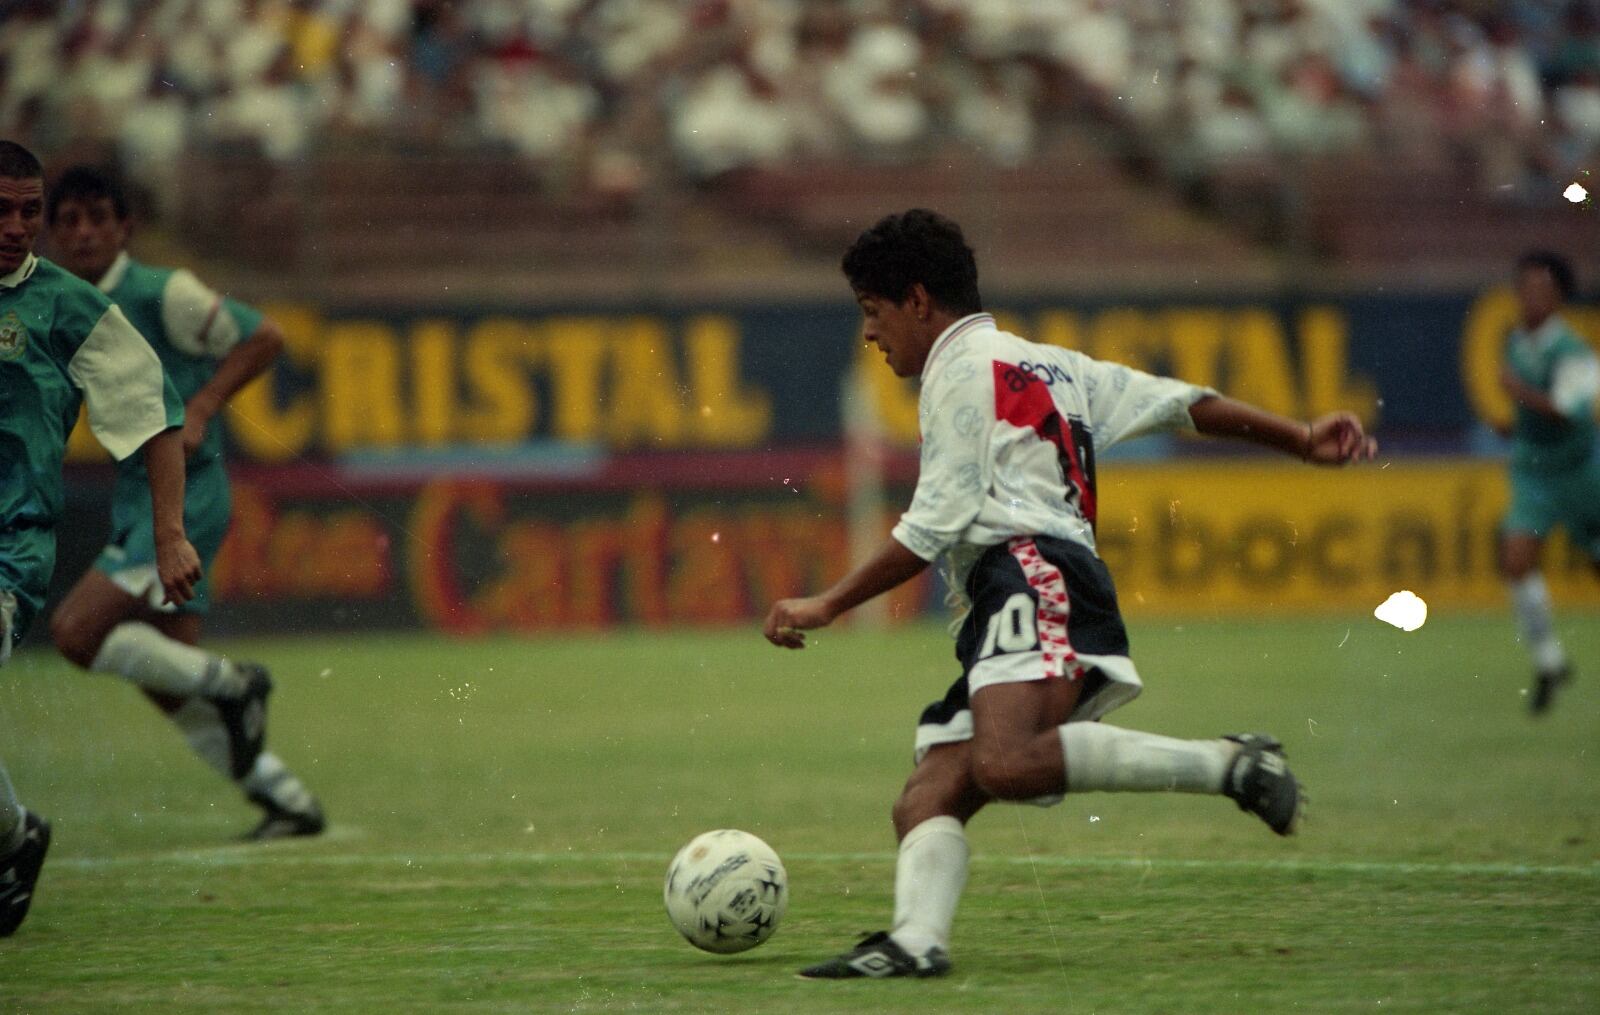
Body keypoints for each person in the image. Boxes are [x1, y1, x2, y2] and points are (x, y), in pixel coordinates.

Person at [762, 209, 1378, 979]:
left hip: (1030, 568)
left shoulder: (959, 373)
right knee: (928, 793)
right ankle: (916, 940)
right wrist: (1298, 436)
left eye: (872, 312)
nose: (869, 334)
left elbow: (932, 524)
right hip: (1022, 578)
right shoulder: (1048, 364)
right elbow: (1183, 403)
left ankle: (1232, 764)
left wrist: (826, 602)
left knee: (1009, 761)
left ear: (918, 300)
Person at [44, 166, 324, 840]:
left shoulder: (162, 291)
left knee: (78, 632)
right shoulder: (67, 302)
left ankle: (240, 682)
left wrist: (201, 404)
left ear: (125, 228)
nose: (84, 232)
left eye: (98, 218)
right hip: (137, 496)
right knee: (173, 684)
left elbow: (266, 337)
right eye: (71, 220)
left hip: (186, 495)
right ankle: (288, 800)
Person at [0, 140, 204, 937]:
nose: (17, 228)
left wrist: (170, 536)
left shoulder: (68, 306)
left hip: (10, 547)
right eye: (0, 210)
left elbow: (156, 415)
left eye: (28, 213)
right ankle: (15, 835)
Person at [1496, 250, 1599, 714]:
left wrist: (1519, 394)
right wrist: (1513, 427)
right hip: (1534, 472)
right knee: (1517, 561)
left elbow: (1567, 411)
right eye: (1526, 287)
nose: (1531, 297)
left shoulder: (1576, 352)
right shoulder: (1515, 342)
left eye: (1542, 289)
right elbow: (1538, 415)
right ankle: (1549, 660)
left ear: (1559, 297)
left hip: (1580, 473)